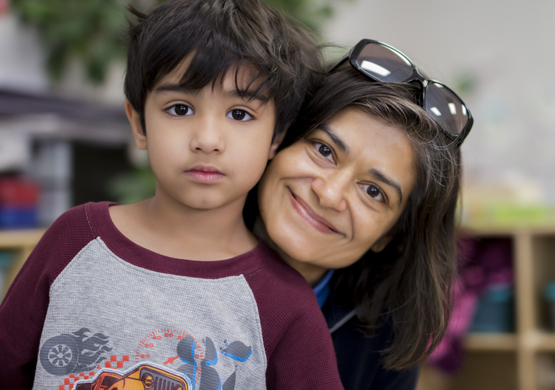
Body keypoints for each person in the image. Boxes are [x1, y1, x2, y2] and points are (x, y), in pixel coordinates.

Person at [0, 1, 345, 389]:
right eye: (180, 108)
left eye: (240, 114)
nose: (207, 140)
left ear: (276, 137)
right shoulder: (74, 240)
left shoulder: (285, 305)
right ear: (140, 124)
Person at [251, 39, 473, 390]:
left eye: (373, 191)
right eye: (324, 150)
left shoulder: (386, 343)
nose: (328, 193)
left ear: (391, 235)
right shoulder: (162, 255)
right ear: (281, 140)